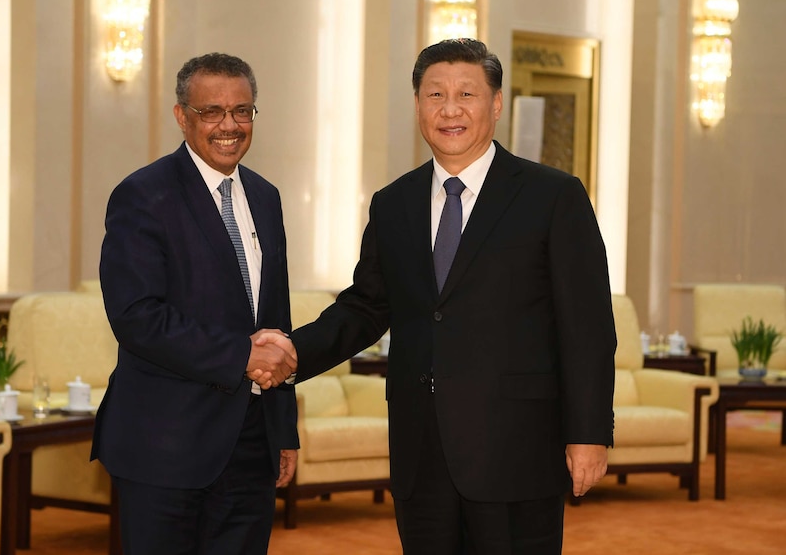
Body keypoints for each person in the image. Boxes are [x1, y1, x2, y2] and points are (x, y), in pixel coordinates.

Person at [262, 38, 616, 554]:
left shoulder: (554, 196)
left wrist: (589, 433)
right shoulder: (393, 204)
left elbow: (587, 326)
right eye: (435, 95)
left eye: (467, 94)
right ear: (417, 105)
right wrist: (294, 352)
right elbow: (365, 306)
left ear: (495, 104)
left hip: (516, 453)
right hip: (421, 454)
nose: (450, 109)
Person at [91, 53, 298, 555]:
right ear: (183, 116)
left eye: (242, 111)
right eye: (212, 112)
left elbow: (276, 321)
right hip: (165, 445)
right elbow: (137, 317)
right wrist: (240, 357)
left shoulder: (266, 198)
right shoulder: (142, 195)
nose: (229, 125)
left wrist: (283, 430)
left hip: (251, 444)